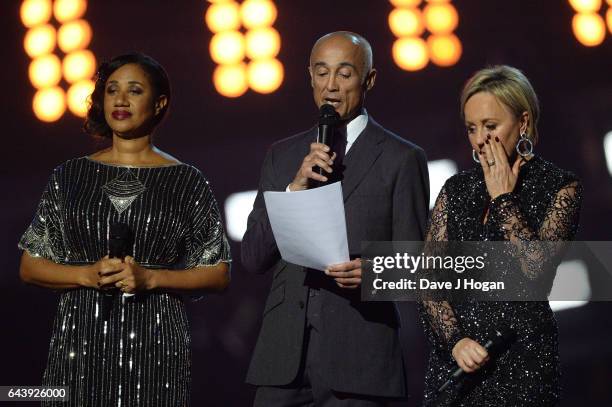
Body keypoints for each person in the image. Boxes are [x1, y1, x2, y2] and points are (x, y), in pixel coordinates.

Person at [18, 52, 231, 406]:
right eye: (111, 90)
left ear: (159, 103)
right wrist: (87, 274)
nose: (120, 99)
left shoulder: (185, 180)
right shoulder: (68, 177)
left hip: (157, 347)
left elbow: (218, 274)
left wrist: (150, 279)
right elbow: (29, 266)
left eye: (134, 90)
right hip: (78, 343)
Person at [242, 31, 429, 406]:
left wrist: (375, 272)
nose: (331, 86)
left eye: (344, 74)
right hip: (283, 362)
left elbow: (420, 264)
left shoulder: (401, 158)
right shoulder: (282, 156)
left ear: (369, 80)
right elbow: (252, 257)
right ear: (309, 76)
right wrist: (294, 189)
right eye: (322, 72)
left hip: (360, 357)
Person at [420, 65, 582, 406]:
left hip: (522, 365)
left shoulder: (560, 187)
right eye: (471, 128)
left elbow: (537, 272)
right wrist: (456, 341)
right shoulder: (456, 190)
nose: (480, 140)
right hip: (457, 365)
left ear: (522, 122)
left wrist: (504, 199)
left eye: (491, 126)